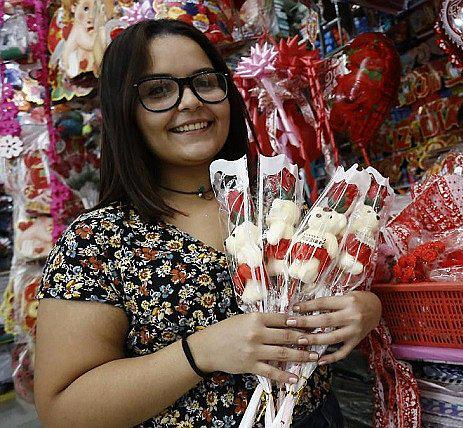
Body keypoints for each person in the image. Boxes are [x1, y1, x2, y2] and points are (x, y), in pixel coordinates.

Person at [34, 19, 381, 428]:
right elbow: (62, 411)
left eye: (205, 81)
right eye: (158, 90)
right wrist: (200, 352)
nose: (190, 102)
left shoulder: (277, 203)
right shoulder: (97, 241)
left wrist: (364, 310)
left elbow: (334, 293)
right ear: (125, 112)